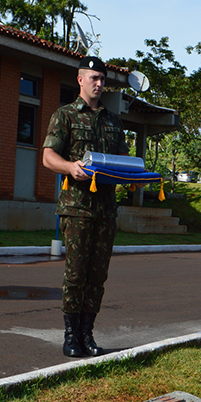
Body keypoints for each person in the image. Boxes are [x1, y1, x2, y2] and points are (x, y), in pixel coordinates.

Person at [42, 56, 129, 357]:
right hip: (76, 209)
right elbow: (48, 157)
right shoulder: (64, 115)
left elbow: (123, 163)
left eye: (102, 79)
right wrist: (69, 167)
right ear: (80, 80)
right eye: (94, 78)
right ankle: (70, 336)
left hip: (105, 211)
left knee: (97, 276)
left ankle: (87, 335)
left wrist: (137, 178)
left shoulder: (113, 121)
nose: (99, 84)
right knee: (76, 274)